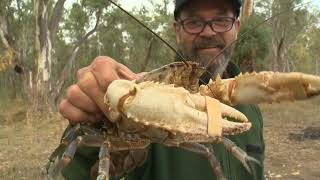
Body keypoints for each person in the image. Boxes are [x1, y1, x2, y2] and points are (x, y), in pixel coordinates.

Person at [58, 0, 265, 179]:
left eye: (221, 20)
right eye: (194, 22)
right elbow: (80, 170)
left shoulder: (251, 110)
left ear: (236, 27)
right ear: (177, 30)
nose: (208, 32)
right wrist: (94, 115)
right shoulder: (141, 90)